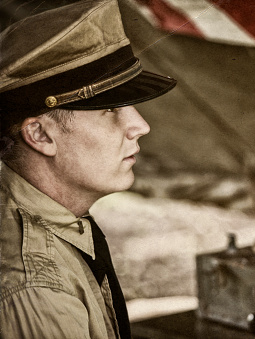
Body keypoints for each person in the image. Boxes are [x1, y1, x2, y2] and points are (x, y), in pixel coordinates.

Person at [0, 0, 176, 338]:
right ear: (40, 134)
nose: (140, 126)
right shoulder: (39, 291)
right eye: (111, 109)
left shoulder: (52, 218)